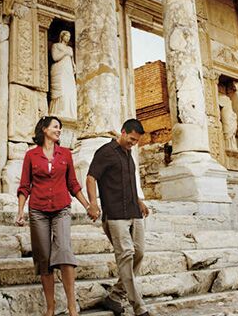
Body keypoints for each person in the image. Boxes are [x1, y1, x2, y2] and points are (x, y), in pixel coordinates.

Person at [16, 116, 91, 316]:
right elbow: (24, 185)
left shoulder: (65, 154)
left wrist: (87, 205)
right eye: (55, 127)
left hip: (61, 208)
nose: (59, 130)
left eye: (60, 128)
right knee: (43, 258)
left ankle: (72, 306)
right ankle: (50, 307)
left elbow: (73, 183)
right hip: (38, 210)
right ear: (44, 129)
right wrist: (20, 211)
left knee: (65, 252)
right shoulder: (31, 155)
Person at [86, 119, 151, 316]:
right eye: (131, 139)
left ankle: (114, 297)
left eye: (136, 141)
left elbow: (129, 182)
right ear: (123, 132)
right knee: (126, 256)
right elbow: (91, 177)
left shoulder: (128, 153)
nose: (133, 143)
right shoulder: (105, 152)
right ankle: (139, 307)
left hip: (134, 211)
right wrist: (93, 203)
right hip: (115, 214)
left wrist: (139, 201)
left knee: (139, 253)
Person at [49, 30, 77, 119]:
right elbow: (55, 57)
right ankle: (60, 111)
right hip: (60, 69)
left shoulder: (70, 48)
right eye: (66, 36)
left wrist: (74, 67)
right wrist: (65, 52)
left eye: (69, 36)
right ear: (62, 36)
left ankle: (70, 112)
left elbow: (72, 60)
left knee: (70, 90)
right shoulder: (56, 45)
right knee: (62, 90)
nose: (68, 38)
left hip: (68, 71)